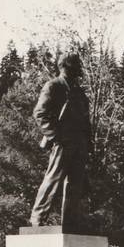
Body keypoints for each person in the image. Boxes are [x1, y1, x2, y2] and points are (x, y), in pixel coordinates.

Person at [29, 53, 92, 229]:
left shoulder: (78, 91)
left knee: (75, 185)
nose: (79, 68)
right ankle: (37, 219)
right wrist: (56, 137)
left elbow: (85, 120)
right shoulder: (53, 86)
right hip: (63, 142)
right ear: (65, 66)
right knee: (53, 180)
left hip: (79, 143)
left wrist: (88, 144)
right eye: (76, 65)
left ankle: (70, 223)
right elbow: (40, 114)